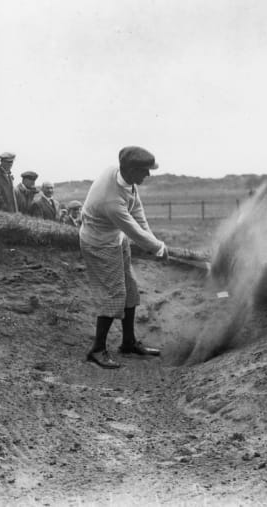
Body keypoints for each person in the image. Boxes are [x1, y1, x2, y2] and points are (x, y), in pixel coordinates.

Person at [80, 146, 168, 369]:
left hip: (116, 237)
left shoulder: (122, 176)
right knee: (114, 294)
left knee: (130, 288)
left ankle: (128, 342)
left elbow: (137, 212)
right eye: (145, 170)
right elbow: (133, 230)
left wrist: (156, 243)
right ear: (130, 170)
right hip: (99, 243)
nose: (148, 175)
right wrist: (156, 247)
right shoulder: (111, 201)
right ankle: (97, 349)